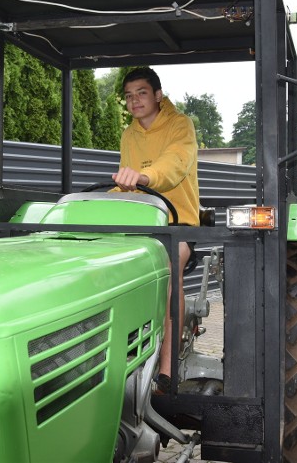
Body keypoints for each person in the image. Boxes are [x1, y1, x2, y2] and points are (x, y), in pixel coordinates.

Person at [111, 67, 199, 394]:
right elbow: (125, 184)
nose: (135, 100)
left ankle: (166, 371)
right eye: (130, 95)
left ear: (158, 95)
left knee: (167, 265)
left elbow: (175, 164)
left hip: (178, 222)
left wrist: (145, 177)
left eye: (142, 93)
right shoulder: (128, 134)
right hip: (141, 221)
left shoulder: (180, 125)